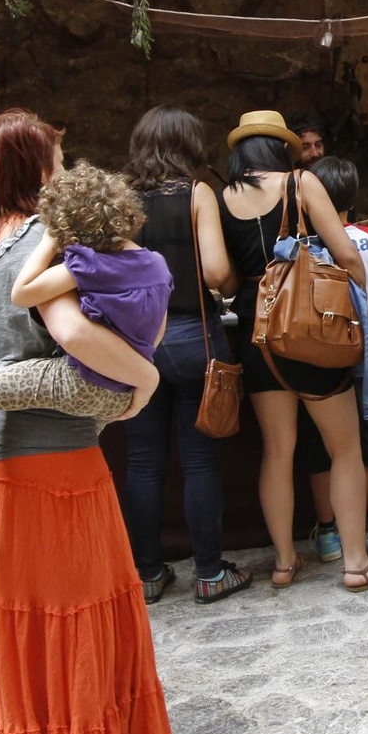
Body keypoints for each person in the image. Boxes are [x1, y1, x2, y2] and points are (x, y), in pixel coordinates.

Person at [0, 110, 182, 734]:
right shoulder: (47, 243)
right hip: (64, 458)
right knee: (77, 613)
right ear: (37, 164)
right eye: (59, 153)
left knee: (16, 626)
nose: (66, 164)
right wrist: (143, 379)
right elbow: (76, 334)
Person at [0, 163, 169, 556]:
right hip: (116, 394)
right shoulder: (156, 264)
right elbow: (154, 335)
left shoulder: (85, 265)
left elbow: (23, 292)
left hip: (80, 382)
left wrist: (50, 241)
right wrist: (140, 378)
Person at [218, 110, 368, 592]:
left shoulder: (222, 198)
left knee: (277, 452)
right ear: (281, 147)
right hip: (309, 329)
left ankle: (284, 563)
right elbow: (346, 254)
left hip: (254, 333)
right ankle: (357, 564)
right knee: (343, 448)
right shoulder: (300, 183)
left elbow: (218, 274)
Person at [123, 106, 250, 605]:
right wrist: (237, 282)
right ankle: (209, 572)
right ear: (188, 145)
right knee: (199, 462)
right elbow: (217, 272)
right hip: (191, 338)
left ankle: (148, 574)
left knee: (143, 463)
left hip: (135, 345)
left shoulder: (122, 199)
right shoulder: (196, 193)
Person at [300, 155, 368, 563]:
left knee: (317, 440)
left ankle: (328, 532)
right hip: (367, 347)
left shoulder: (308, 244)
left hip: (321, 353)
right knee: (366, 438)